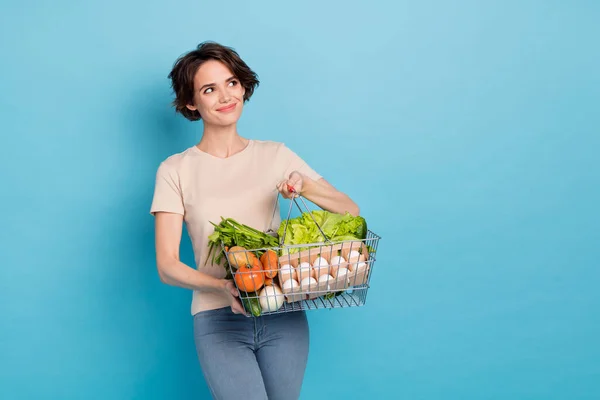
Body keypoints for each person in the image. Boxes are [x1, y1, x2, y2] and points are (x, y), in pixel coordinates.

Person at [150, 41, 360, 400]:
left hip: (284, 314)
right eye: (209, 89)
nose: (225, 96)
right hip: (219, 320)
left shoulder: (275, 154)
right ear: (191, 103)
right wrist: (223, 288)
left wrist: (304, 185)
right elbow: (167, 266)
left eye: (231, 82)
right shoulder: (176, 170)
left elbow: (349, 210)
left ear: (243, 86)